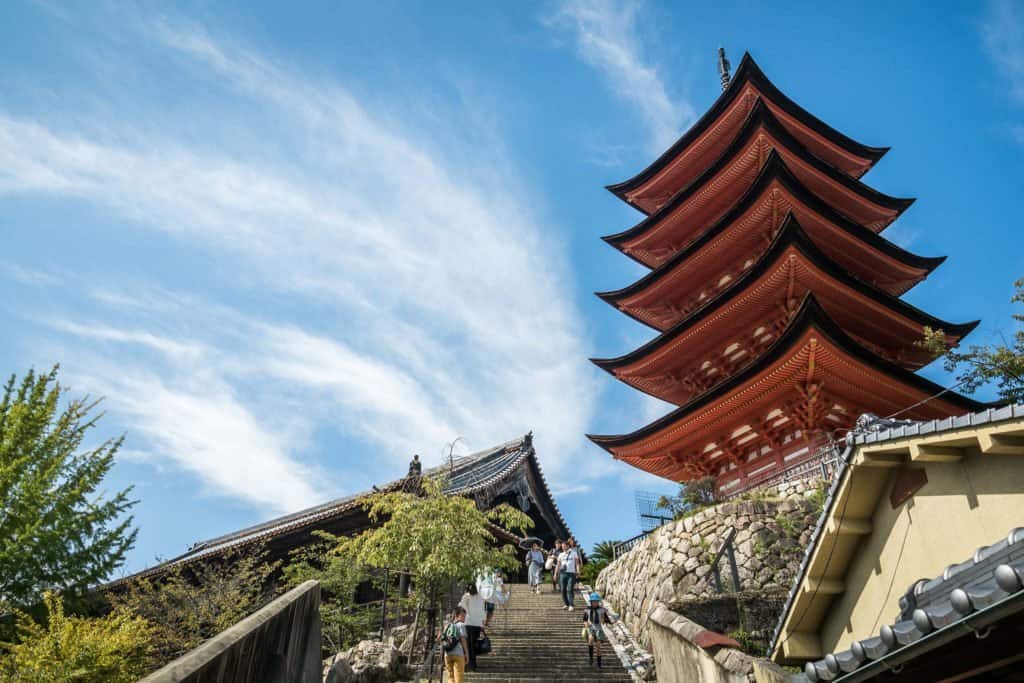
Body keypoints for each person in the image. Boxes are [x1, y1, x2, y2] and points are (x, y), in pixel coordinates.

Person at [458, 584, 486, 671]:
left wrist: (466, 609)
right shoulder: (481, 596)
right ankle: (473, 665)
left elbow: (461, 605)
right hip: (477, 624)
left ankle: (467, 665)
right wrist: (483, 623)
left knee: (467, 645)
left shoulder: (467, 596)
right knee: (473, 645)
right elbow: (483, 609)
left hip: (468, 623)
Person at [582, 591, 613, 668]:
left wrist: (603, 617)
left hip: (599, 629)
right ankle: (591, 658)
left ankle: (599, 663)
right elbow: (585, 620)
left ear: (598, 602)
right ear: (591, 602)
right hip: (591, 628)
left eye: (596, 601)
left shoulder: (601, 610)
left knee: (598, 647)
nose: (594, 603)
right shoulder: (587, 610)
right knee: (590, 639)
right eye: (593, 601)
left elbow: (604, 621)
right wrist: (586, 625)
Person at [442, 606, 470, 683]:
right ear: (457, 615)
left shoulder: (447, 625)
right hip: (458, 654)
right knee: (459, 677)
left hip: (447, 654)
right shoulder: (461, 625)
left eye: (465, 616)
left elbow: (441, 637)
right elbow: (463, 640)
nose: (464, 618)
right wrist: (467, 653)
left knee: (450, 677)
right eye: (463, 616)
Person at [559, 538, 581, 611]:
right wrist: (555, 574)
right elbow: (558, 565)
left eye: (564, 546)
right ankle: (566, 603)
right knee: (562, 590)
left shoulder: (574, 553)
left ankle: (571, 605)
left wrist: (578, 571)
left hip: (571, 573)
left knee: (570, 589)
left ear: (568, 546)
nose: (563, 547)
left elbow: (577, 563)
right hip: (562, 573)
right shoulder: (561, 554)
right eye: (562, 546)